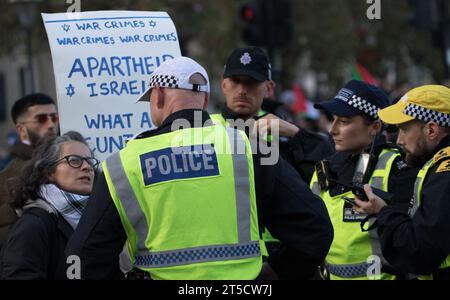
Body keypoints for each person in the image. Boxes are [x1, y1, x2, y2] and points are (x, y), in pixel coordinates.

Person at [66, 56, 333, 280]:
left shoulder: (123, 163)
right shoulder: (249, 147)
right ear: (205, 101)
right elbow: (314, 229)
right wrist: (272, 273)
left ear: (157, 95)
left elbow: (83, 256)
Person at [311, 80, 418, 280]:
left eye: (343, 121)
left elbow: (413, 246)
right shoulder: (324, 168)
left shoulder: (398, 169)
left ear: (375, 127)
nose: (332, 129)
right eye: (333, 119)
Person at [354, 85, 450, 280]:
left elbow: (420, 252)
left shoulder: (445, 173)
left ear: (431, 130)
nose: (398, 140)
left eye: (404, 129)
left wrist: (383, 212)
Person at [213, 46, 334, 183]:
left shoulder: (282, 132)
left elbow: (330, 164)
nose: (241, 90)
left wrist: (296, 133)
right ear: (223, 85)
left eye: (251, 82)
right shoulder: (204, 129)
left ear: (269, 89)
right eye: (235, 81)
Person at [0, 131, 98, 280]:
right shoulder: (34, 224)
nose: (87, 167)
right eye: (74, 160)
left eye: (89, 161)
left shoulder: (99, 218)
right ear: (48, 172)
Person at [0, 93, 59, 247]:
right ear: (21, 130)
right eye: (41, 119)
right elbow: (10, 238)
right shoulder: (8, 179)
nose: (51, 125)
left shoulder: (70, 165)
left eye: (54, 117)